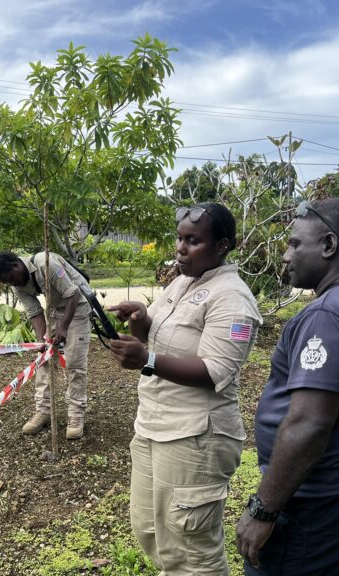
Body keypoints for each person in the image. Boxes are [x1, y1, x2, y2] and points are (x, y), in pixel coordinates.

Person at [235, 198, 339, 575]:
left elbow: (310, 424)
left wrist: (263, 508)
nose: (285, 256)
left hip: (325, 504)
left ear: (328, 245)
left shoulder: (328, 314)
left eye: (294, 244)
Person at [108, 203, 262, 575]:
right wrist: (142, 319)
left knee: (191, 548)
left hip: (197, 437)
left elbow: (216, 369)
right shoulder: (181, 283)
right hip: (154, 424)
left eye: (193, 240)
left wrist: (147, 359)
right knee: (149, 529)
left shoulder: (233, 299)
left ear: (222, 245)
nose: (180, 248)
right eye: (180, 238)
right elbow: (157, 339)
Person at [0, 250, 91, 440]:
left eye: (11, 278)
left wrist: (64, 327)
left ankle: (76, 414)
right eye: (7, 282)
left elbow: (73, 294)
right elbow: (34, 312)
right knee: (44, 360)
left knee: (75, 362)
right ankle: (44, 410)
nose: (12, 283)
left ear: (17, 265)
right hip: (54, 312)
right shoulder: (16, 284)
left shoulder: (46, 263)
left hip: (76, 309)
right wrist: (41, 340)